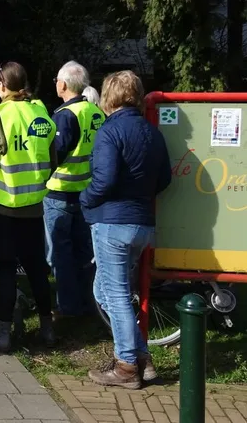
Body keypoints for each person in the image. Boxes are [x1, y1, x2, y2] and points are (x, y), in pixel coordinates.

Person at [83, 71, 170, 389]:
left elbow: (103, 181)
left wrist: (85, 198)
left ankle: (126, 367)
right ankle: (142, 358)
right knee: (104, 292)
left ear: (108, 96)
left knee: (116, 296)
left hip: (112, 224)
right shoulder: (152, 132)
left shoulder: (110, 131)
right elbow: (165, 180)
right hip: (142, 224)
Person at [0, 62, 58, 352]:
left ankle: (2, 332)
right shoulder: (41, 112)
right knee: (36, 269)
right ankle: (48, 328)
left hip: (4, 206)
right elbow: (52, 158)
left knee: (7, 270)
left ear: (2, 84)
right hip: (34, 205)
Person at [43, 61, 105, 318]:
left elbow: (56, 153)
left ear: (64, 84)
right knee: (85, 252)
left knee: (60, 254)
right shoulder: (96, 112)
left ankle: (67, 307)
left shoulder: (65, 115)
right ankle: (89, 304)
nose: (56, 83)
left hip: (60, 191)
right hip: (88, 192)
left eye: (57, 79)